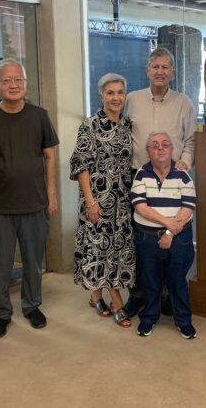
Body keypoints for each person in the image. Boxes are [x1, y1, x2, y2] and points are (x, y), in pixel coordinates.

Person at [0, 58, 59, 339]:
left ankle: (32, 306)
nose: (13, 85)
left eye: (18, 80)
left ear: (25, 83)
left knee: (33, 261)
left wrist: (51, 195)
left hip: (34, 203)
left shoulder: (39, 116)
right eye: (6, 80)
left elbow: (49, 157)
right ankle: (0, 313)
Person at [123, 47, 197, 318]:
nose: (160, 72)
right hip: (139, 178)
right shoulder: (132, 99)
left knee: (171, 239)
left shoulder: (183, 103)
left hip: (172, 178)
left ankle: (167, 298)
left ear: (173, 73)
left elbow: (190, 140)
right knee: (140, 242)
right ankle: (139, 296)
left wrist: (186, 162)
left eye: (165, 67)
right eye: (155, 67)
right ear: (147, 70)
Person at [70, 73, 135, 328]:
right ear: (101, 95)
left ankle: (95, 295)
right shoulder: (90, 125)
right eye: (111, 93)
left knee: (115, 251)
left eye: (120, 92)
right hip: (97, 198)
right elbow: (80, 164)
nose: (116, 97)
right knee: (99, 248)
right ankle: (117, 300)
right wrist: (90, 201)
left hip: (123, 200)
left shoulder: (128, 125)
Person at [131, 132, 197, 339]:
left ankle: (183, 321)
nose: (160, 148)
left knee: (177, 281)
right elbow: (140, 206)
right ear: (148, 151)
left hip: (179, 239)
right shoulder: (141, 174)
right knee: (150, 280)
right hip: (147, 238)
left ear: (172, 149)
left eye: (165, 144)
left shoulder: (183, 175)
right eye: (154, 145)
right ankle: (149, 318)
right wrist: (168, 224)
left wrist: (169, 232)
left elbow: (188, 207)